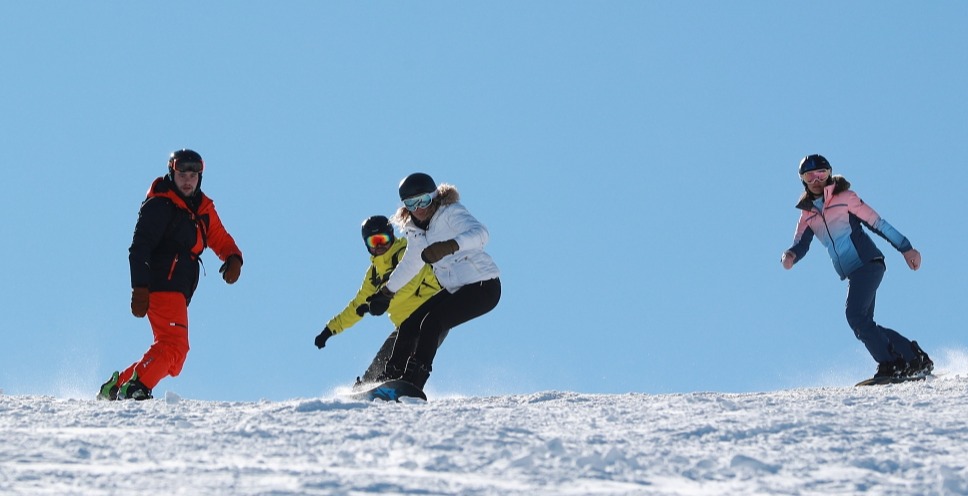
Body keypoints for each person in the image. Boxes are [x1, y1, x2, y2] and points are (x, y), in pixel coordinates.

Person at [97, 149, 244, 400]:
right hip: (162, 284)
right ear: (172, 173)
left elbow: (219, 237)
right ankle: (136, 387)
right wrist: (139, 288)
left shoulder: (202, 208)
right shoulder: (160, 204)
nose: (187, 181)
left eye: (193, 176)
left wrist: (233, 257)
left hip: (177, 288)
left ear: (200, 177)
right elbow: (139, 247)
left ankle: (118, 385)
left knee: (171, 352)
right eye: (182, 174)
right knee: (175, 347)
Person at [781, 154, 932, 380]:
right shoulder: (807, 214)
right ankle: (912, 357)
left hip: (868, 263)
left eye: (821, 174)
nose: (816, 180)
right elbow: (800, 244)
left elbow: (878, 224)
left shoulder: (845, 198)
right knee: (864, 323)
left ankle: (891, 363)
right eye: (809, 176)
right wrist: (790, 255)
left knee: (855, 316)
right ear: (803, 180)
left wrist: (906, 248)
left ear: (829, 174)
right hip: (854, 271)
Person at [365, 172, 501, 390]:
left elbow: (481, 233)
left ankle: (414, 382)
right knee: (409, 324)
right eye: (411, 203)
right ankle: (389, 378)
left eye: (423, 200)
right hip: (456, 287)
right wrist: (387, 292)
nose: (418, 208)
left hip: (483, 286)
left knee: (431, 323)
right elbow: (411, 263)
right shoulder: (416, 230)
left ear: (434, 195)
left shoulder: (450, 213)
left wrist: (450, 246)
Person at [313, 215, 442, 389]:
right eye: (374, 242)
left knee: (410, 357)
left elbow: (409, 284)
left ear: (391, 236)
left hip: (431, 316)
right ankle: (366, 390)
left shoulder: (407, 254)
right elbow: (358, 305)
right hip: (404, 326)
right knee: (381, 362)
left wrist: (380, 302)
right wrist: (330, 330)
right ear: (367, 245)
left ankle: (408, 386)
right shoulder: (374, 274)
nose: (379, 246)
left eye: (383, 239)